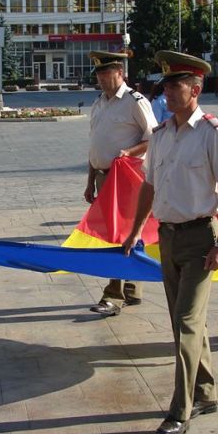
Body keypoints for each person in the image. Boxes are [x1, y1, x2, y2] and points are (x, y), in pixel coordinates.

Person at [122, 51, 218, 434]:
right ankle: (206, 392)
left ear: (196, 88)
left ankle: (181, 408)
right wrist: (135, 230)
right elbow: (149, 186)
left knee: (188, 322)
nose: (169, 93)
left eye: (176, 86)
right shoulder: (159, 136)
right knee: (183, 323)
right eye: (166, 87)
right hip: (168, 239)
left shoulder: (212, 133)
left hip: (199, 240)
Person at [86, 50, 157, 317]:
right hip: (104, 177)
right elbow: (95, 145)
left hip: (127, 179)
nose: (102, 79)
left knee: (114, 236)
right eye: (99, 74)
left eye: (107, 73)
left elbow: (154, 138)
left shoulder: (134, 101)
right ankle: (133, 287)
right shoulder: (99, 102)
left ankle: (113, 294)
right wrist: (90, 180)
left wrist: (130, 152)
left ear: (120, 72)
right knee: (120, 233)